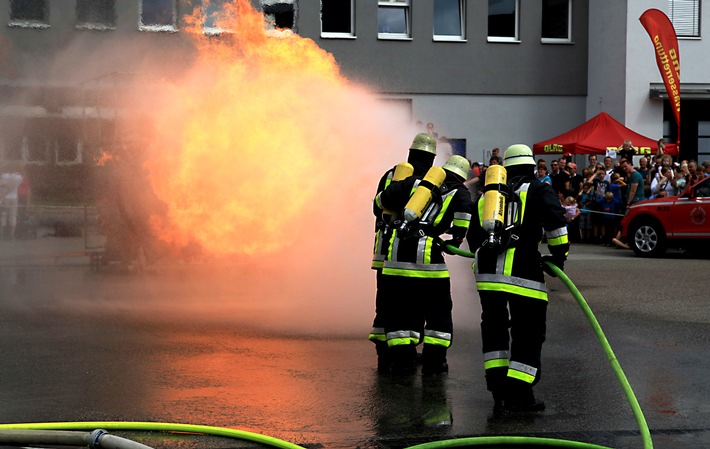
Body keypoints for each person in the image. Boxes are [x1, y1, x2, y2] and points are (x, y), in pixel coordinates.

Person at [466, 144, 569, 412]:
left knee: (494, 330)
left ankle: (498, 389)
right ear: (532, 166)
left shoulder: (489, 197)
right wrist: (558, 257)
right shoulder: (538, 189)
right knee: (528, 332)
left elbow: (473, 237)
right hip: (524, 275)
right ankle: (521, 394)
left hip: (488, 276)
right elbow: (556, 225)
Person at [376, 155, 473, 376]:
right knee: (438, 312)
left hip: (396, 258)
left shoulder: (414, 183)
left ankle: (402, 360)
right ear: (461, 176)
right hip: (429, 263)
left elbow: (382, 201)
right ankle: (435, 362)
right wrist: (454, 241)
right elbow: (462, 223)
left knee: (399, 311)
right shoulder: (460, 192)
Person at [368, 133, 437, 373]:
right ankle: (405, 353)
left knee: (385, 301)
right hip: (411, 254)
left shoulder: (390, 175)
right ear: (431, 158)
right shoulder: (430, 180)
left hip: (383, 250)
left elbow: (377, 208)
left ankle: (384, 353)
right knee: (412, 303)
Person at [0, 163, 24, 241]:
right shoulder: (19, 177)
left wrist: (2, 197)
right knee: (13, 216)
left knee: (3, 216)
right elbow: (19, 183)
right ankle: (11, 235)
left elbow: (3, 184)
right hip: (14, 198)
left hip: (5, 198)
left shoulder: (4, 176)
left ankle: (2, 235)